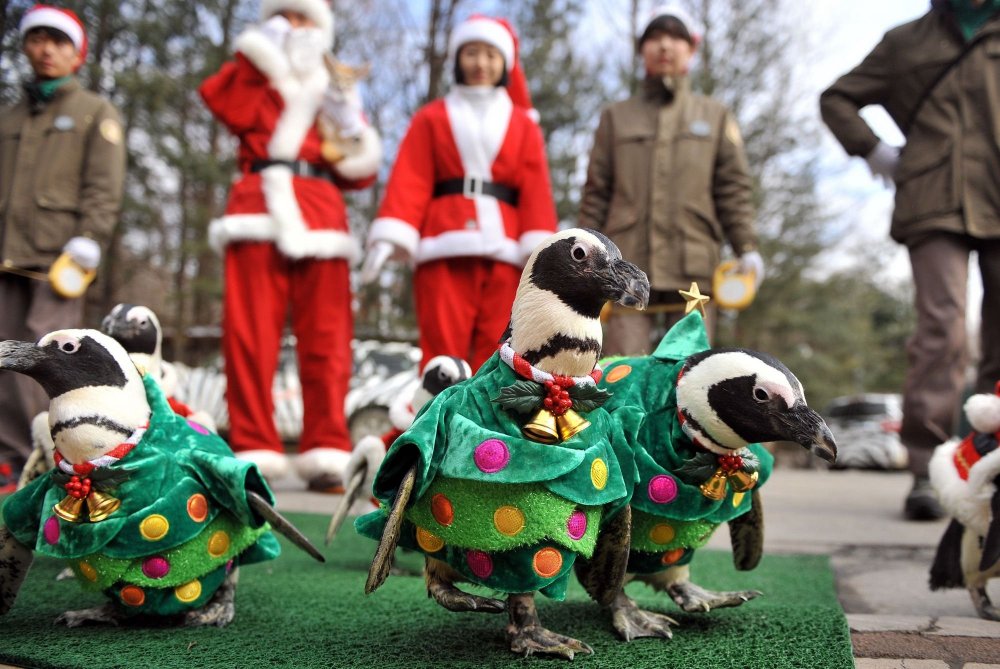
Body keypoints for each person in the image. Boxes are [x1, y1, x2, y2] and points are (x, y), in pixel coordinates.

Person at [820, 0, 1000, 521]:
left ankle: (990, 458)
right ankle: (928, 467)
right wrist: (872, 148)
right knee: (943, 328)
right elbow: (838, 98)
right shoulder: (908, 41)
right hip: (931, 197)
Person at [199, 0, 381, 489]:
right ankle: (253, 445)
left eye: (305, 19)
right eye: (286, 16)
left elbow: (359, 171)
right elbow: (226, 109)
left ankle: (326, 451)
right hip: (257, 205)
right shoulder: (251, 73)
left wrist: (347, 117)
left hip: (320, 209)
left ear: (321, 29)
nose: (296, 27)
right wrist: (260, 56)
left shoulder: (336, 84)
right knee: (247, 336)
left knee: (328, 341)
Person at [359, 15, 557, 373]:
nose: (481, 63)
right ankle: (436, 424)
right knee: (441, 349)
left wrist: (543, 254)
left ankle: (484, 427)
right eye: (472, 53)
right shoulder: (430, 117)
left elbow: (535, 190)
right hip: (443, 244)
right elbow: (411, 178)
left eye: (490, 55)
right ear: (457, 59)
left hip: (506, 250)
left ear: (505, 64)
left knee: (498, 348)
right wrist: (391, 236)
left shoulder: (524, 124)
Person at [579, 5, 763, 354]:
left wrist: (747, 248)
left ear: (691, 49)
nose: (665, 46)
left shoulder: (715, 116)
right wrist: (584, 256)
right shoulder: (615, 118)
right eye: (655, 38)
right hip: (624, 262)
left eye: (675, 37)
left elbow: (733, 190)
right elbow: (596, 192)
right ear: (641, 50)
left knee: (690, 371)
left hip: (692, 262)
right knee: (622, 371)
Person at [0, 5, 125, 492]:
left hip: (58, 261)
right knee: (5, 358)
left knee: (46, 358)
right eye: (37, 39)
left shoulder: (95, 112)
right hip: (7, 254)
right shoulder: (8, 115)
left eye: (59, 41)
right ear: (27, 47)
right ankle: (12, 461)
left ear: (77, 53)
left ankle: (56, 458)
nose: (46, 49)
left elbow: (104, 187)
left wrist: (90, 238)